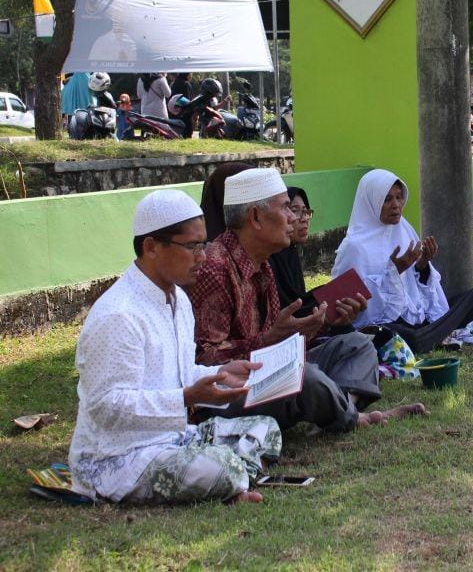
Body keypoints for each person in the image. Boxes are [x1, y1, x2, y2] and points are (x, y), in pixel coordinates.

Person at [69, 189, 281, 505]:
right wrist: (187, 398)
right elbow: (106, 407)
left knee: (267, 430)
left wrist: (220, 374)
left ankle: (233, 481)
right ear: (151, 247)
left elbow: (175, 373)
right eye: (192, 246)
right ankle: (232, 478)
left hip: (174, 439)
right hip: (119, 459)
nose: (204, 256)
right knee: (223, 465)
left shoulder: (178, 298)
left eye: (204, 244)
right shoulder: (118, 315)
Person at [189, 168, 426, 430]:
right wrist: (270, 340)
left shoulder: (263, 264)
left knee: (357, 345)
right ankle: (353, 418)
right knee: (305, 377)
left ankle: (337, 407)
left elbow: (276, 344)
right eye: (286, 208)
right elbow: (205, 358)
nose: (293, 218)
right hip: (226, 395)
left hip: (266, 371)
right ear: (256, 217)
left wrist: (321, 325)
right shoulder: (215, 268)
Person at [331, 169, 473, 354]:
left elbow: (417, 292)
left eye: (399, 197)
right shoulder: (354, 247)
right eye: (387, 199)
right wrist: (395, 271)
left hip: (417, 317)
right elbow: (351, 310)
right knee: (405, 336)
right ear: (371, 202)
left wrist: (422, 266)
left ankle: (437, 333)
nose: (396, 205)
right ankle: (437, 334)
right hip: (384, 325)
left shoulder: (403, 229)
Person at [268, 186, 320, 315]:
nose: (304, 219)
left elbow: (298, 300)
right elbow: (290, 310)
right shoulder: (268, 258)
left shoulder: (290, 251)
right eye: (294, 210)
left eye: (306, 211)